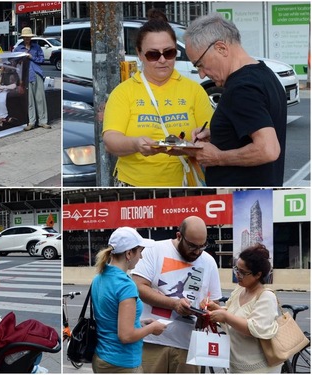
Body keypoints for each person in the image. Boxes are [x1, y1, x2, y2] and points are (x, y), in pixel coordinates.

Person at [102, 11, 213, 186]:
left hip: (185, 183)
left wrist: (203, 137)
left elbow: (212, 132)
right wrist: (136, 144)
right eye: (153, 55)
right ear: (139, 54)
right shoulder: (123, 92)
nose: (162, 60)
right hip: (134, 184)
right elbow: (110, 141)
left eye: (168, 53)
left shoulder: (194, 90)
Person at [184, 13, 287, 187]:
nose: (201, 74)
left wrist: (217, 157)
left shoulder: (241, 88)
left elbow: (268, 149)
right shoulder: (265, 74)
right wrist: (222, 132)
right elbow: (254, 124)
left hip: (242, 197)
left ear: (221, 48)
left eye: (200, 64)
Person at [131, 216, 222, 373]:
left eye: (203, 246)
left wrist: (206, 313)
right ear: (179, 236)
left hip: (188, 347)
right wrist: (174, 304)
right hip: (152, 342)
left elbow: (214, 302)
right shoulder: (155, 250)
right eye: (192, 246)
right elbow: (138, 287)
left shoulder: (209, 262)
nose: (198, 252)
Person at [92, 227, 167, 373]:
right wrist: (152, 328)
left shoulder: (99, 277)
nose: (141, 257)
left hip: (101, 357)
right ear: (129, 254)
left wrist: (140, 323)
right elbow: (126, 336)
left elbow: (111, 319)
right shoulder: (126, 285)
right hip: (122, 363)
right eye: (140, 252)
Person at [203, 244, 280, 373]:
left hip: (258, 368)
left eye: (243, 272)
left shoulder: (266, 297)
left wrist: (225, 316)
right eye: (236, 269)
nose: (237, 275)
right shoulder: (240, 290)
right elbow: (232, 315)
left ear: (258, 275)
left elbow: (256, 328)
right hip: (236, 365)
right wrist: (216, 308)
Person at [13, 27, 51, 131]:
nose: (27, 39)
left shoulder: (36, 47)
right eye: (25, 37)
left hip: (36, 73)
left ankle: (43, 121)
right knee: (29, 100)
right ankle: (31, 121)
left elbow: (42, 59)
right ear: (23, 38)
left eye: (29, 37)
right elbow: (14, 62)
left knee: (40, 98)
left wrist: (31, 57)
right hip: (25, 76)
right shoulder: (18, 49)